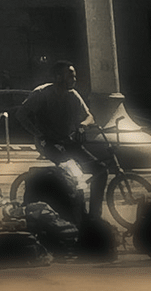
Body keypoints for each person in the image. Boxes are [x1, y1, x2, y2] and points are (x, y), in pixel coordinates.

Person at [19, 62, 108, 220]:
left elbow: (90, 116)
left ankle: (94, 215)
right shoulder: (41, 93)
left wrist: (82, 125)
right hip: (48, 143)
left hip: (68, 141)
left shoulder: (73, 94)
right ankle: (76, 214)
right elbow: (21, 115)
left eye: (74, 75)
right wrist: (39, 134)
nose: (74, 79)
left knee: (101, 170)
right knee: (72, 172)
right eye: (70, 76)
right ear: (58, 77)